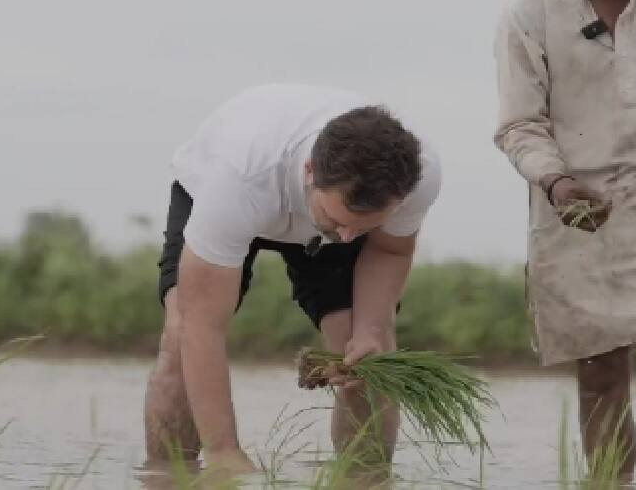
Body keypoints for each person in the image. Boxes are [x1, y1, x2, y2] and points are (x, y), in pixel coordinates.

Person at [143, 83, 441, 474]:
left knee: (368, 357)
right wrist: (223, 451)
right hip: (230, 191)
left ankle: (365, 479)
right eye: (338, 221)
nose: (348, 237)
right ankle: (169, 477)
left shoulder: (416, 178)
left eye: (362, 226)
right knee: (180, 335)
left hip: (314, 200)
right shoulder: (240, 177)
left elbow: (389, 250)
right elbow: (203, 324)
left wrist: (369, 330)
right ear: (310, 172)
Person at [494, 0, 636, 481]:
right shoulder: (531, 12)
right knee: (601, 368)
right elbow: (519, 124)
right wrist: (557, 183)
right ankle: (612, 483)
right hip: (576, 205)